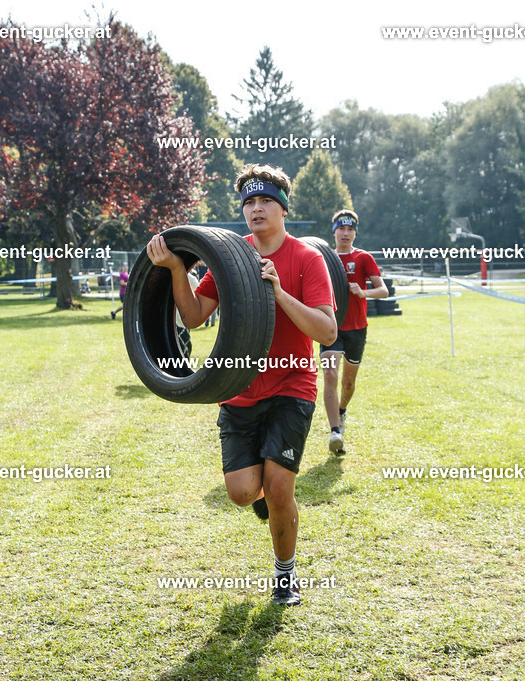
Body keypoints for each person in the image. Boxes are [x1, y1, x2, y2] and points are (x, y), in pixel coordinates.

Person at [147, 163, 337, 606]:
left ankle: (285, 575)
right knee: (241, 492)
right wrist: (177, 268)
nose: (256, 208)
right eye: (249, 201)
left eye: (265, 200)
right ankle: (265, 498)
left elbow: (327, 332)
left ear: (283, 209)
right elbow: (194, 317)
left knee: (280, 487)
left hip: (292, 386)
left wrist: (278, 293)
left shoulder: (306, 259)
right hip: (239, 388)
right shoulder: (231, 256)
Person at [320, 209, 388, 455]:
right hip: (331, 327)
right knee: (329, 375)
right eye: (341, 228)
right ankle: (335, 432)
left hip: (357, 329)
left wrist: (363, 292)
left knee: (348, 384)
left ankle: (342, 411)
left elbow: (383, 291)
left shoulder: (364, 258)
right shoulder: (325, 258)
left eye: (350, 229)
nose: (345, 233)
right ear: (334, 231)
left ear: (355, 233)